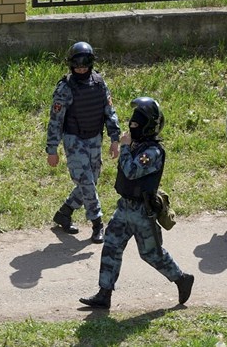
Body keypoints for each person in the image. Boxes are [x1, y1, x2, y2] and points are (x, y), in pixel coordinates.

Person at [80, 97, 193, 309]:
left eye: (137, 123)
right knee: (111, 246)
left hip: (143, 212)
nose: (132, 126)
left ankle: (181, 279)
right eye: (132, 122)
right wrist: (127, 145)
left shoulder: (153, 152)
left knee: (151, 254)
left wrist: (124, 147)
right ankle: (104, 294)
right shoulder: (137, 145)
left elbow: (131, 171)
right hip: (125, 207)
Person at [46, 41, 121, 242]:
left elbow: (109, 111)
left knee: (91, 180)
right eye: (77, 66)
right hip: (74, 139)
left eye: (84, 66)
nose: (81, 69)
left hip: (95, 137)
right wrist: (52, 149)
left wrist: (115, 139)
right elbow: (55, 120)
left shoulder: (99, 83)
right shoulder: (65, 88)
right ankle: (97, 223)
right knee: (86, 182)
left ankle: (65, 212)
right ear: (71, 65)